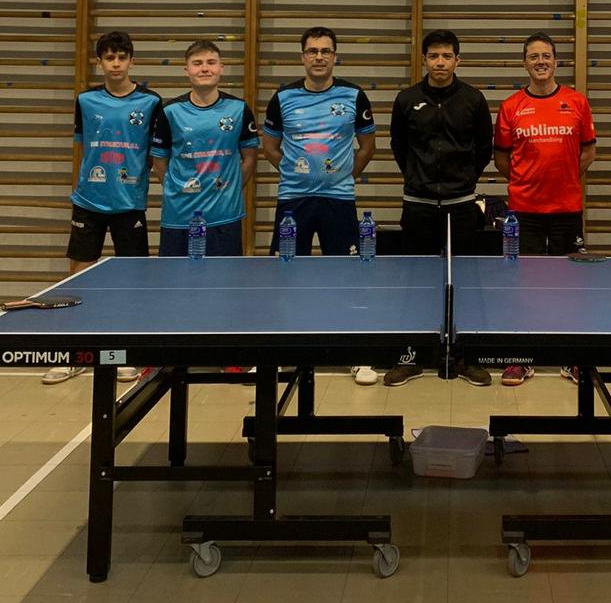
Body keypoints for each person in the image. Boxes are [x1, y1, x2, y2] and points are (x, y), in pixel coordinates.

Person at [260, 26, 379, 383]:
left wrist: (342, 176)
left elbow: (367, 147)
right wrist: (295, 173)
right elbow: (270, 147)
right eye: (312, 51)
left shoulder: (353, 95)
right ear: (303, 56)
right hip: (293, 201)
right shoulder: (283, 97)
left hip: (338, 201)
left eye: (326, 51)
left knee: (347, 277)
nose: (319, 57)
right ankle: (278, 352)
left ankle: (355, 355)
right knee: (284, 276)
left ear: (335, 56)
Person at [46, 30, 162, 385]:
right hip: (89, 203)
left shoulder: (151, 102)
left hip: (129, 204)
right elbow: (83, 148)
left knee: (133, 283)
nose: (115, 63)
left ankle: (128, 353)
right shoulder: (85, 101)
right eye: (109, 57)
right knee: (78, 279)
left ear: (132, 61)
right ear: (99, 62)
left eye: (121, 57)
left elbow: (154, 154)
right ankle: (74, 354)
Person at [387, 28, 494, 387]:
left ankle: (464, 357)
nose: (440, 62)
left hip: (461, 205)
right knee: (415, 284)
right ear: (424, 60)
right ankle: (411, 356)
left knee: (465, 284)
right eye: (434, 56)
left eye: (447, 56)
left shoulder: (473, 100)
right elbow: (399, 146)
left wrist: (463, 181)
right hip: (417, 205)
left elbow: (484, 148)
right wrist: (417, 179)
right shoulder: (406, 99)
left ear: (457, 60)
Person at [492, 31, 596, 387]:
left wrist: (563, 177)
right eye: (534, 56)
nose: (541, 62)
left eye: (546, 56)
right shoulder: (511, 106)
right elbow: (502, 158)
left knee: (571, 285)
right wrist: (527, 181)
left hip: (567, 209)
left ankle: (571, 358)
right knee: (524, 285)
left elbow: (588, 151)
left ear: (555, 61)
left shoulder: (576, 102)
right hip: (524, 211)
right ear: (525, 63)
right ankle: (522, 358)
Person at [150, 40, 259, 258]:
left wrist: (231, 189)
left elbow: (250, 157)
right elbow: (159, 162)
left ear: (221, 68)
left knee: (224, 278)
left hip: (224, 217)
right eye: (197, 63)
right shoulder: (170, 111)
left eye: (211, 62)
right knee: (174, 278)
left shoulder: (239, 109)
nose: (205, 68)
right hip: (179, 216)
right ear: (187, 70)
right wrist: (177, 189)